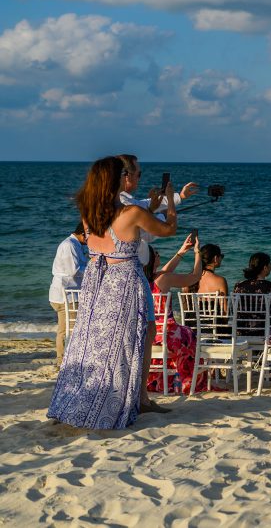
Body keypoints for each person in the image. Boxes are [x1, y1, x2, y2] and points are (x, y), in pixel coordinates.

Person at [48, 156, 178, 429]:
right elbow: (168, 230)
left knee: (97, 343)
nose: (127, 178)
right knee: (131, 340)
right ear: (115, 179)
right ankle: (129, 401)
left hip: (98, 281)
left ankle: (101, 398)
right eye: (123, 174)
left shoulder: (89, 211)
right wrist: (169, 201)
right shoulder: (131, 213)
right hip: (125, 280)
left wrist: (150, 207)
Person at [144, 234, 208, 394]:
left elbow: (166, 270)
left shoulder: (144, 279)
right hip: (166, 334)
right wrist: (197, 253)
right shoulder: (163, 279)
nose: (159, 254)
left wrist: (181, 251)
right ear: (152, 259)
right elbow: (194, 277)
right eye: (156, 253)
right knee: (189, 334)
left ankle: (162, 380)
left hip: (148, 334)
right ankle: (188, 382)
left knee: (185, 333)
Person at [117, 154, 198, 267]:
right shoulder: (123, 203)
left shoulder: (122, 200)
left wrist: (180, 196)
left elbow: (143, 205)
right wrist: (167, 207)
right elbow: (155, 232)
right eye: (138, 174)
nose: (139, 178)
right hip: (130, 270)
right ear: (126, 176)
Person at [48, 223, 88, 366]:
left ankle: (64, 360)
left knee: (66, 328)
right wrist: (93, 268)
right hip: (65, 295)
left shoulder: (74, 244)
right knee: (66, 329)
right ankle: (62, 361)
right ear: (83, 233)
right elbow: (74, 270)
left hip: (65, 293)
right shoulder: (69, 245)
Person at [233, 252, 271, 338]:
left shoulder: (239, 286)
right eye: (270, 264)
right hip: (266, 332)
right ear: (265, 267)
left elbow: (234, 309)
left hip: (242, 331)